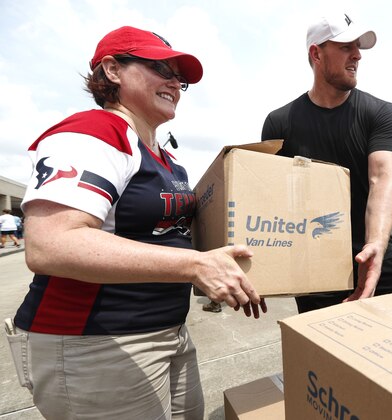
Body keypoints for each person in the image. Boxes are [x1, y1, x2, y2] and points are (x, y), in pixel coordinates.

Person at [6, 26, 265, 419]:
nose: (175, 82)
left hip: (167, 331)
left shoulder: (166, 157)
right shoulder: (95, 131)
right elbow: (51, 244)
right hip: (95, 344)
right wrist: (196, 266)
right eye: (162, 67)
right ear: (112, 70)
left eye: (180, 78)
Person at [261, 12, 392, 313]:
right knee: (322, 358)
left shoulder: (380, 113)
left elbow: (383, 178)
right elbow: (270, 200)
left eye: (358, 47)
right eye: (345, 47)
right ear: (316, 53)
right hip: (314, 270)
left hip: (376, 262)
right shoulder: (279, 123)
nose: (357, 55)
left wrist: (375, 246)